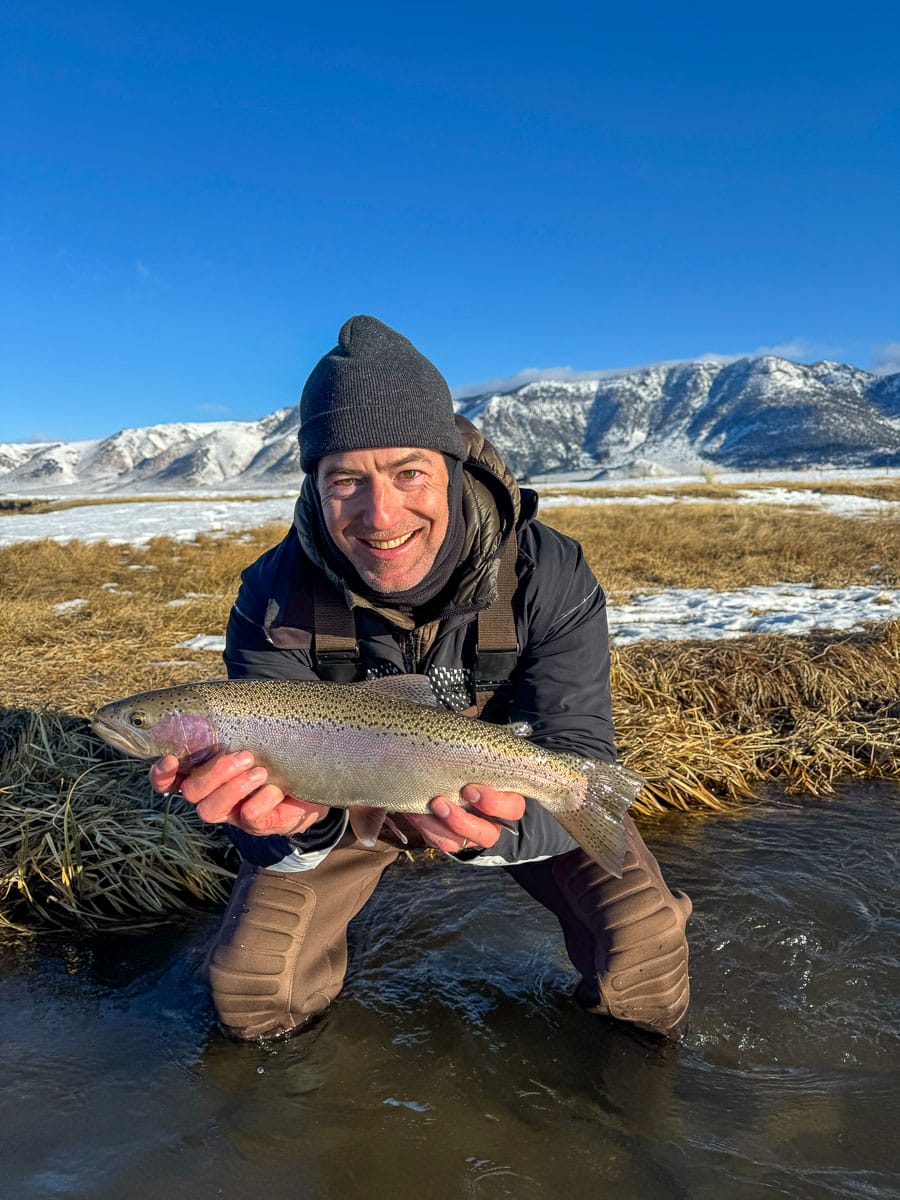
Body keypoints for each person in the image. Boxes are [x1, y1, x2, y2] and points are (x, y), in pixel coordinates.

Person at [149, 315, 692, 1041]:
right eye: (346, 480)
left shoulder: (548, 573)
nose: (381, 514)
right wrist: (289, 830)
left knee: (645, 969)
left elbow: (579, 750)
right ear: (314, 487)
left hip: (492, 794)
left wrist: (486, 832)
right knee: (252, 995)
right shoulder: (273, 597)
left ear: (452, 470)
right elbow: (267, 816)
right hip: (340, 808)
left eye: (409, 473)